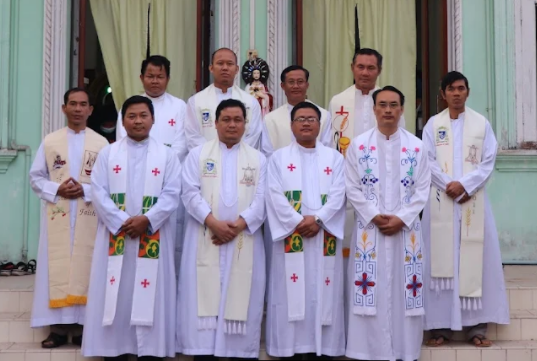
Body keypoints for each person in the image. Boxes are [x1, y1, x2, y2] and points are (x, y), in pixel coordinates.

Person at [81, 96, 181, 360]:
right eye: (132, 116)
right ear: (122, 121)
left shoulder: (167, 155)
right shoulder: (108, 153)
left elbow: (172, 194)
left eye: (143, 116)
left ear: (153, 119)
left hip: (153, 235)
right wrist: (120, 221)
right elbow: (97, 191)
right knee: (117, 292)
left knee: (150, 290)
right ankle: (114, 348)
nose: (138, 121)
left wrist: (147, 219)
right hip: (117, 236)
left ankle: (150, 350)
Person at [422, 71, 509, 348]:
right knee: (439, 263)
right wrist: (449, 185)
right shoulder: (433, 125)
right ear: (443, 93)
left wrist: (465, 186)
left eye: (461, 88)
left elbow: (487, 162)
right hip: (441, 201)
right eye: (451, 89)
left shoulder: (481, 124)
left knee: (476, 262)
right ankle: (439, 327)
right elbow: (427, 160)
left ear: (467, 92)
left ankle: (477, 328)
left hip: (472, 203)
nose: (456, 93)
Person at [345, 86, 430, 361]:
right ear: (374, 109)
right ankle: (368, 352)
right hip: (371, 232)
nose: (388, 110)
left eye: (394, 105)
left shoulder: (416, 147)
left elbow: (423, 189)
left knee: (405, 293)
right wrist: (374, 215)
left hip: (406, 234)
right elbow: (352, 187)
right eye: (382, 104)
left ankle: (405, 351)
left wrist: (402, 218)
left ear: (402, 109)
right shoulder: (358, 146)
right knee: (372, 290)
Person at [177, 99, 266, 360]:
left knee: (241, 302)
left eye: (237, 120)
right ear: (215, 123)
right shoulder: (198, 155)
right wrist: (213, 223)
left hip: (245, 240)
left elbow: (263, 197)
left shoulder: (259, 159)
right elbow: (189, 193)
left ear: (245, 125)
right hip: (205, 236)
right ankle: (203, 352)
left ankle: (237, 350)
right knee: (204, 307)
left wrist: (239, 225)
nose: (232, 125)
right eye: (226, 119)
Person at [265, 102, 346, 360]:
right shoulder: (278, 158)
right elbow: (274, 195)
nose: (306, 123)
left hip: (324, 236)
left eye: (311, 118)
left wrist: (319, 219)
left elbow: (339, 194)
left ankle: (324, 349)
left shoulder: (334, 158)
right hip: (293, 236)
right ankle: (291, 349)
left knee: (324, 290)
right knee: (291, 291)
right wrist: (298, 222)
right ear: (291, 126)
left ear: (319, 125)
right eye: (300, 119)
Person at [29, 88, 108, 348]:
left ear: (90, 110)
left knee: (89, 265)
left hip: (89, 213)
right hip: (59, 214)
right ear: (64, 108)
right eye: (72, 104)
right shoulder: (51, 141)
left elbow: (107, 182)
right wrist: (57, 189)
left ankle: (86, 327)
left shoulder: (102, 144)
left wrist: (84, 189)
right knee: (57, 266)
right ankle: (59, 330)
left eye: (83, 104)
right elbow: (36, 176)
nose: (77, 109)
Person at [115, 55, 188, 276]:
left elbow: (181, 144)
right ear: (141, 77)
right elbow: (123, 141)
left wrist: (160, 166)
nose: (155, 81)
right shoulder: (131, 105)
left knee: (169, 240)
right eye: (150, 76)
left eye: (160, 76)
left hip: (168, 180)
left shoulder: (180, 106)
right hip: (135, 179)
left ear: (168, 78)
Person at [184, 48, 263, 151]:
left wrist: (233, 154)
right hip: (207, 162)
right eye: (220, 63)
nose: (225, 68)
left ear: (236, 69)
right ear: (211, 68)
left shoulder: (250, 102)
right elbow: (192, 136)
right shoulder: (195, 101)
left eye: (230, 64)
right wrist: (213, 155)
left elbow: (254, 135)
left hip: (241, 161)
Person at [261, 65, 333, 157]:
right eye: (291, 82)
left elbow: (327, 149)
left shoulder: (324, 115)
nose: (296, 86)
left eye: (300, 82)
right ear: (282, 86)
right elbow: (267, 153)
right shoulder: (270, 119)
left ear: (307, 85)